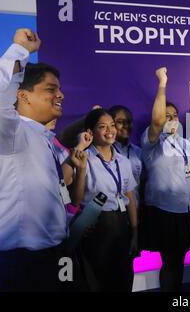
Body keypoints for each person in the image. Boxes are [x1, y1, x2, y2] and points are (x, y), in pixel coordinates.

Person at [0, 28, 84, 291]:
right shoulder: (12, 133)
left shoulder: (43, 137)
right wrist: (20, 49)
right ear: (22, 95)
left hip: (57, 253)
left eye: (60, 89)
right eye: (51, 89)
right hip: (24, 261)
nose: (61, 95)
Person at [62, 108, 138, 292]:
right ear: (90, 132)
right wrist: (80, 164)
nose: (110, 130)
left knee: (123, 279)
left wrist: (135, 232)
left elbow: (130, 198)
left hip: (121, 224)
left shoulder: (123, 162)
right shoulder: (83, 158)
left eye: (112, 125)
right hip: (95, 226)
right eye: (102, 127)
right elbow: (75, 199)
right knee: (97, 282)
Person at [139, 67, 190, 292]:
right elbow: (158, 119)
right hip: (163, 211)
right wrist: (162, 82)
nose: (170, 119)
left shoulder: (185, 143)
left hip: (185, 210)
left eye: (174, 116)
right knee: (170, 262)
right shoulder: (151, 141)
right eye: (167, 115)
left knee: (179, 260)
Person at [108, 105, 143, 209]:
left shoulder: (138, 152)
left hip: (135, 209)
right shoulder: (104, 151)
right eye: (120, 122)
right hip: (113, 211)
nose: (126, 125)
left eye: (129, 121)